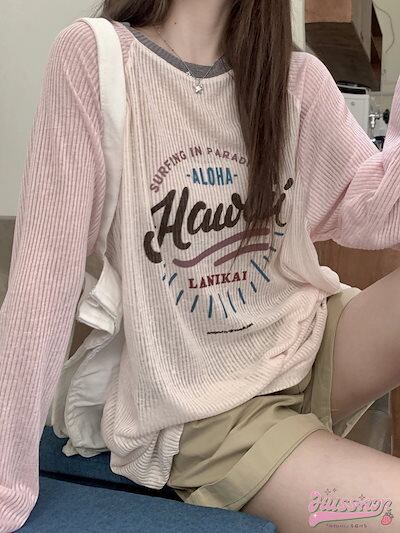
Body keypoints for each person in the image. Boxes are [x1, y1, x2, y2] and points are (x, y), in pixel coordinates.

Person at [1, 1, 400, 531]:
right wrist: (5, 487)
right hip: (205, 412)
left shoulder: (295, 79)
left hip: (308, 339)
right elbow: (41, 290)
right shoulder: (95, 60)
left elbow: (378, 214)